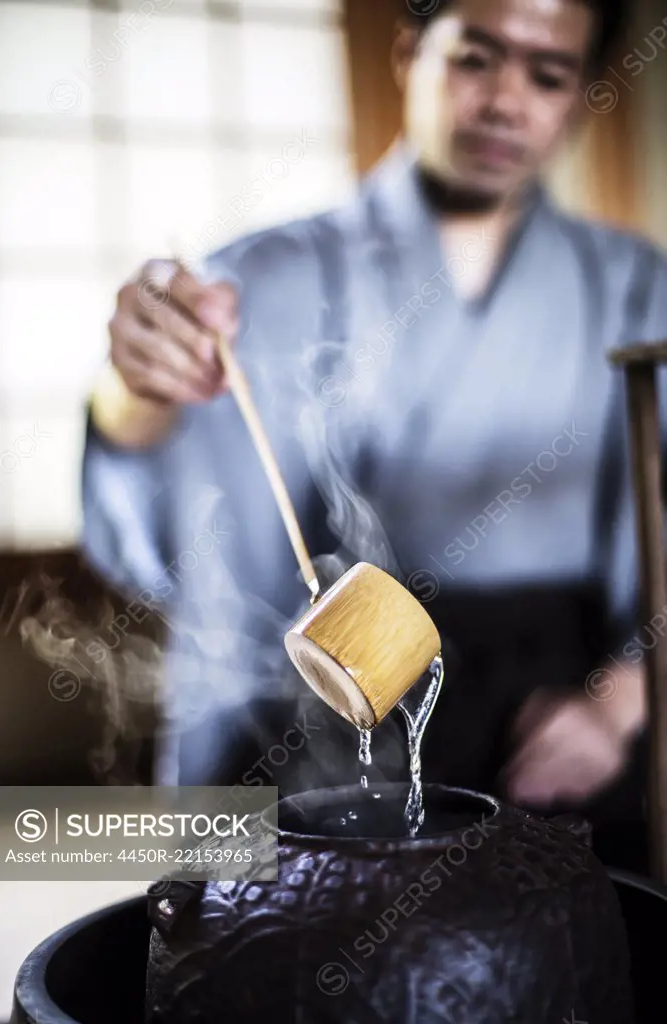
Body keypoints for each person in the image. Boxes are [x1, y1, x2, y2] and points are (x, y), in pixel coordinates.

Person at [83, 0, 665, 867]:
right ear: (407, 52)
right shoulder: (261, 277)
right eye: (475, 58)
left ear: (582, 95)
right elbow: (177, 542)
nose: (506, 101)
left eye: (547, 75)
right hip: (312, 701)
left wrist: (622, 702)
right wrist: (136, 389)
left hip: (561, 703)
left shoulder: (637, 286)